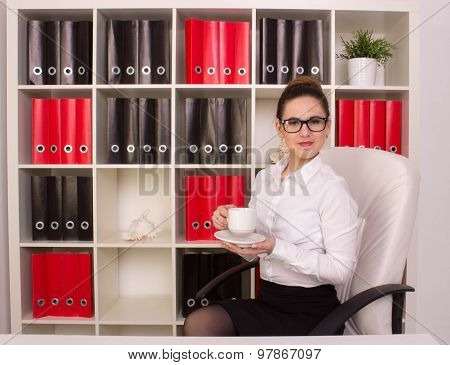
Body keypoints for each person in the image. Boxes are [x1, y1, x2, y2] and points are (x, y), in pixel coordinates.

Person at [183, 75, 360, 336]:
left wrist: (277, 247)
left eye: (314, 121)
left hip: (312, 312)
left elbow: (341, 270)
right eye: (293, 122)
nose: (305, 131)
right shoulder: (264, 178)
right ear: (279, 128)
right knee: (199, 323)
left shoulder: (333, 189)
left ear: (327, 126)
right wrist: (236, 229)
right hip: (268, 301)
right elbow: (255, 253)